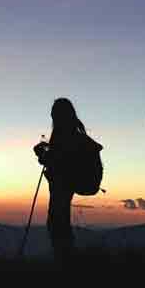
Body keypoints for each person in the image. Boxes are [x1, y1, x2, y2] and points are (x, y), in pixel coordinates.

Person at [33, 98, 100, 264]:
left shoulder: (66, 137)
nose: (53, 120)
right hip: (68, 182)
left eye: (54, 116)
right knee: (58, 221)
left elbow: (59, 163)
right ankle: (65, 258)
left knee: (57, 221)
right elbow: (58, 161)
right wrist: (46, 156)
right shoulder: (73, 136)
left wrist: (42, 155)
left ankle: (64, 260)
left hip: (65, 183)